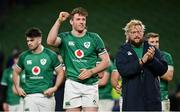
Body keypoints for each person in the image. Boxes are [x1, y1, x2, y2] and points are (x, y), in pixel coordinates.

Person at [47, 7, 110, 112]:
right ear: (71, 21)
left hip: (91, 85)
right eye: (78, 19)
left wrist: (91, 71)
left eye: (83, 19)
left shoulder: (94, 38)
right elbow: (50, 41)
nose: (81, 22)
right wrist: (59, 21)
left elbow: (106, 61)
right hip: (72, 84)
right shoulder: (65, 37)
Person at [115, 19, 168, 111]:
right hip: (132, 99)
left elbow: (163, 69)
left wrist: (152, 60)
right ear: (128, 34)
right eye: (133, 32)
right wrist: (141, 62)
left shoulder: (152, 49)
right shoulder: (122, 51)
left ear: (143, 33)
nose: (137, 34)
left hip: (152, 98)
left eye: (139, 32)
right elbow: (124, 71)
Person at [13, 27, 64, 111]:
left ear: (39, 40)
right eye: (27, 41)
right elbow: (15, 72)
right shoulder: (24, 56)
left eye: (32, 40)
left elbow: (61, 72)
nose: (29, 43)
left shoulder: (51, 55)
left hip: (47, 97)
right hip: (29, 97)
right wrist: (18, 88)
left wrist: (55, 87)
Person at [146, 32, 174, 111]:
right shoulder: (142, 57)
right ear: (146, 44)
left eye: (157, 42)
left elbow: (169, 76)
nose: (155, 44)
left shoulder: (166, 56)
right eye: (152, 42)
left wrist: (152, 65)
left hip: (162, 98)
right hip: (145, 99)